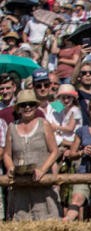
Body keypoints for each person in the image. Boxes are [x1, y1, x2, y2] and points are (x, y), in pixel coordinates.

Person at [2, 90, 60, 221]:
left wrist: (42, 170)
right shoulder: (12, 127)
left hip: (42, 185)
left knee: (47, 224)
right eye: (23, 105)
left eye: (31, 104)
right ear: (19, 109)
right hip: (20, 185)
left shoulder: (43, 124)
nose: (27, 107)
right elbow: (6, 154)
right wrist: (10, 167)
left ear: (35, 106)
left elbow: (54, 151)